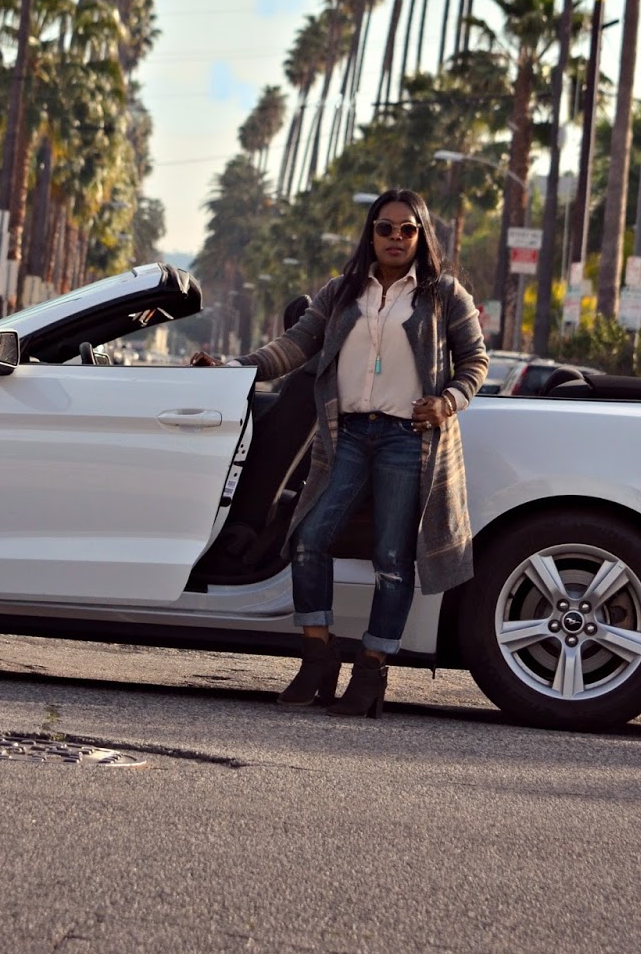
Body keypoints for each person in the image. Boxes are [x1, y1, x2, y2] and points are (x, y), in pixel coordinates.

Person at [192, 188, 488, 718]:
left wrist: (447, 402)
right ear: (370, 233)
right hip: (346, 436)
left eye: (407, 229)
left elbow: (475, 362)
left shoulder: (444, 295)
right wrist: (235, 369)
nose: (396, 238)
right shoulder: (342, 291)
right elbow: (294, 346)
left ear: (422, 236)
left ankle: (372, 669)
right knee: (308, 538)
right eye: (385, 227)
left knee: (393, 560)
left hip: (409, 439)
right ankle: (318, 656)